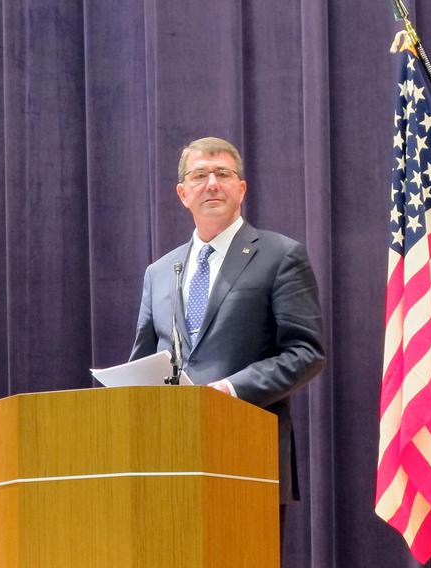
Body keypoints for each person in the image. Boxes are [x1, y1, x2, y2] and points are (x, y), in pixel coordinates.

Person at [129, 137, 325, 550]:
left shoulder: (280, 255)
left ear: (242, 188)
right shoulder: (159, 271)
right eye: (200, 175)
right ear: (183, 194)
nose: (212, 183)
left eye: (223, 174)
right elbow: (145, 361)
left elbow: (305, 352)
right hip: (168, 460)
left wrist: (229, 390)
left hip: (246, 453)